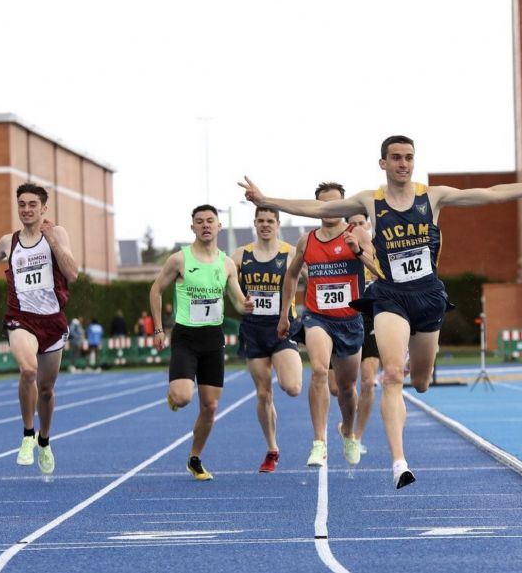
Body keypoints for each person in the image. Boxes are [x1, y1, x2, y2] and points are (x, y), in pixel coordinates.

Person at [240, 136, 522, 489]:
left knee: (419, 380)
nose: (403, 163)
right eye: (396, 158)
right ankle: (399, 462)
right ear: (383, 163)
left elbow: (491, 192)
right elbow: (317, 209)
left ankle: (412, 384)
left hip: (428, 296)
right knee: (390, 374)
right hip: (390, 297)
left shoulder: (432, 196)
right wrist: (267, 200)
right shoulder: (369, 202)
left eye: (409, 158)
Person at [0, 182, 78, 476]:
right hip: (20, 318)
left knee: (47, 390)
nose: (26, 209)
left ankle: (44, 439)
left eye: (32, 205)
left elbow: (73, 273)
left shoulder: (57, 233)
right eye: (22, 204)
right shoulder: (7, 242)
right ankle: (27, 435)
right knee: (27, 370)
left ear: (43, 208)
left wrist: (52, 241)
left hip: (52, 320)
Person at [149, 204, 254, 481]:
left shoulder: (227, 264)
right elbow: (156, 290)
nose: (206, 225)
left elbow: (238, 302)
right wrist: (159, 329)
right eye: (200, 221)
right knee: (183, 397)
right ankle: (174, 395)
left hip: (212, 339)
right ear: (192, 227)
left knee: (210, 406)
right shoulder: (179, 260)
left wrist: (247, 305)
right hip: (186, 337)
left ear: (219, 226)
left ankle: (194, 458)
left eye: (210, 221)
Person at [276, 182, 373, 468]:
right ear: (316, 207)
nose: (330, 210)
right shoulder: (307, 241)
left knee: (346, 388)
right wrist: (285, 313)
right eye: (324, 205)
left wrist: (358, 253)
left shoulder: (357, 233)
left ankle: (348, 432)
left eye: (336, 204)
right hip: (317, 317)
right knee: (318, 370)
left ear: (345, 206)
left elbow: (379, 268)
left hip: (350, 320)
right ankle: (319, 442)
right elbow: (291, 276)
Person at [231, 207, 303, 473]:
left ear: (278, 223)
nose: (265, 225)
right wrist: (239, 302)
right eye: (260, 221)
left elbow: (314, 277)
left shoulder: (290, 252)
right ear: (254, 223)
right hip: (254, 330)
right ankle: (272, 448)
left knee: (293, 387)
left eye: (269, 221)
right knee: (263, 393)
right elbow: (225, 281)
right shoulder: (241, 255)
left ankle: (274, 445)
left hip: (282, 327)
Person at [328, 212, 380, 456]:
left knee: (369, 381)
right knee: (337, 388)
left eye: (361, 223)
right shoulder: (339, 248)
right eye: (353, 224)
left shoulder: (379, 249)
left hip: (372, 319)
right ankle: (347, 425)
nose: (358, 227)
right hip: (344, 318)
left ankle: (356, 436)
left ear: (368, 225)